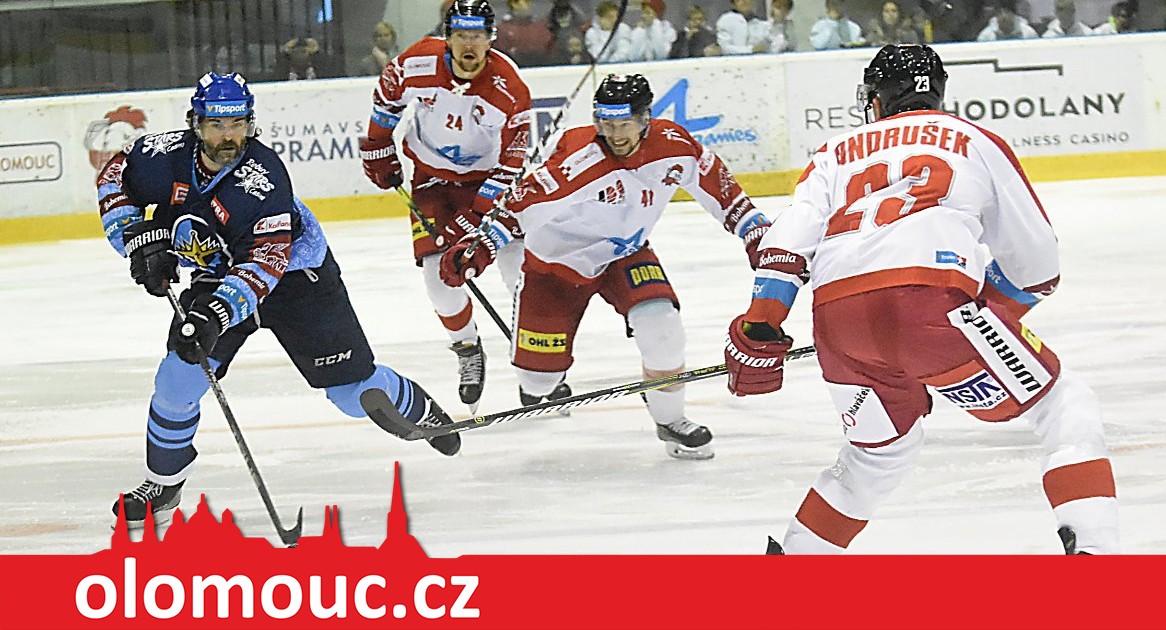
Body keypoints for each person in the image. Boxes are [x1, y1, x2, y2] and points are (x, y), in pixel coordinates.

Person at [724, 45, 1119, 554]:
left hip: (839, 327)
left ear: (877, 99)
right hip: (933, 306)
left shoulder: (833, 152)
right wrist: (978, 317)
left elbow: (786, 244)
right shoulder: (975, 139)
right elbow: (1038, 264)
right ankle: (1095, 556)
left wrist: (761, 323)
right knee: (1064, 406)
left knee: (877, 456)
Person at [96, 72, 461, 524]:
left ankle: (421, 410)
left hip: (297, 279)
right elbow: (114, 176)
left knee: (352, 394)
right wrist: (134, 239)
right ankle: (164, 484)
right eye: (216, 125)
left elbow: (264, 264)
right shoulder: (162, 155)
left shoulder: (264, 178)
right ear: (196, 123)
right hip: (218, 274)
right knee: (177, 380)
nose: (228, 136)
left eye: (237, 124)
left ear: (250, 123)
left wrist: (214, 315)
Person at [439, 74, 774, 460]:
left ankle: (670, 420)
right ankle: (539, 364)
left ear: (645, 118)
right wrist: (480, 248)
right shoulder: (579, 156)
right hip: (555, 267)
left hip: (625, 254)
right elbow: (523, 204)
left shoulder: (675, 145)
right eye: (606, 123)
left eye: (624, 124)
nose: (614, 134)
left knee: (663, 328)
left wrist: (756, 233)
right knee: (538, 383)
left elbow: (724, 192)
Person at [359, 0, 550, 414]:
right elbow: (387, 96)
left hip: (490, 183)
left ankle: (537, 360)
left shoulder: (510, 88)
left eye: (478, 36)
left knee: (519, 272)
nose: (469, 45)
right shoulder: (418, 62)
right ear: (447, 37)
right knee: (439, 281)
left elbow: (511, 165)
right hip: (432, 181)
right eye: (461, 35)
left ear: (491, 39)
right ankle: (467, 348)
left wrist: (475, 217)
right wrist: (378, 144)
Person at [494, 0, 555, 67]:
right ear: (514, 4)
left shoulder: (540, 27)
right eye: (525, 1)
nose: (528, 5)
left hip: (545, 67)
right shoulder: (503, 29)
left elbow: (550, 48)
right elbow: (500, 57)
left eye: (529, 2)